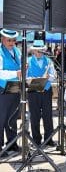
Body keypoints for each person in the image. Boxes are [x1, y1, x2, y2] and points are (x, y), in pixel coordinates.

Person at [27, 40, 56, 147]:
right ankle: (36, 140)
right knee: (34, 117)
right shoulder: (27, 61)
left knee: (48, 116)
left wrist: (49, 77)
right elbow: (25, 77)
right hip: (33, 92)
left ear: (44, 50)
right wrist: (33, 79)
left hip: (46, 91)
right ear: (33, 50)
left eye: (41, 50)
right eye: (37, 50)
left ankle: (49, 139)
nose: (39, 52)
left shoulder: (49, 61)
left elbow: (53, 76)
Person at [0, 29, 21, 157]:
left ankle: (12, 143)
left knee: (12, 118)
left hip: (15, 88)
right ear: (2, 39)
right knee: (1, 119)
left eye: (13, 40)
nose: (11, 42)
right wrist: (16, 73)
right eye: (9, 40)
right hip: (2, 89)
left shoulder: (17, 51)